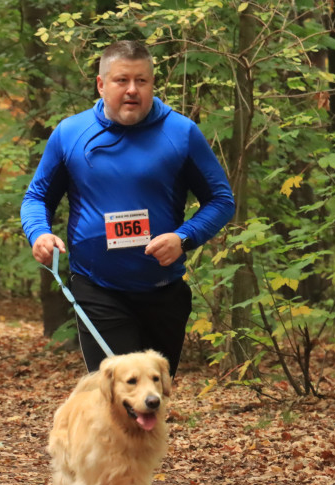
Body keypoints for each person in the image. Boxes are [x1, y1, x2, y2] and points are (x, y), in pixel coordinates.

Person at [21, 40, 235, 379]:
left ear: (153, 84)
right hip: (97, 288)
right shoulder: (70, 134)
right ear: (101, 84)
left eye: (142, 81)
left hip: (163, 292)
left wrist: (184, 237)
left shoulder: (181, 133)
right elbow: (37, 197)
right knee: (121, 400)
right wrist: (40, 233)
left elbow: (222, 200)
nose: (132, 90)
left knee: (151, 400)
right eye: (122, 80)